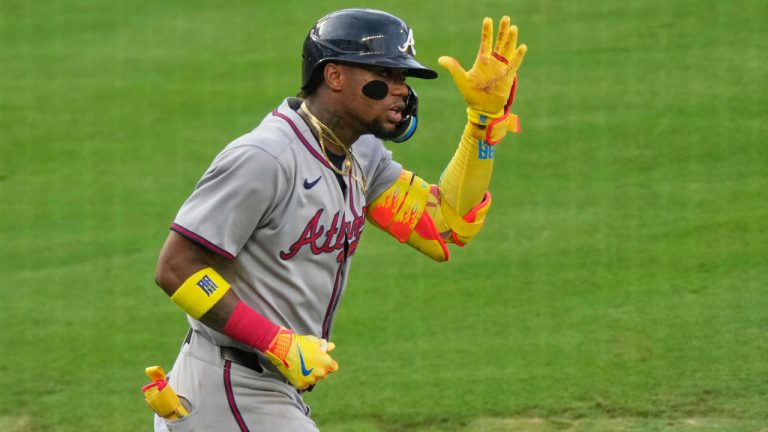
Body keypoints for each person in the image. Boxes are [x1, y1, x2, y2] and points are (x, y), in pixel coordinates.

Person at [150, 8, 526, 432]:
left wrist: (482, 124)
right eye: (386, 73)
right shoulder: (265, 158)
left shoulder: (359, 155)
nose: (401, 90)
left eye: (405, 78)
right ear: (334, 76)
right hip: (230, 389)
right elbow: (176, 267)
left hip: (262, 388)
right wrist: (276, 342)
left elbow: (443, 226)